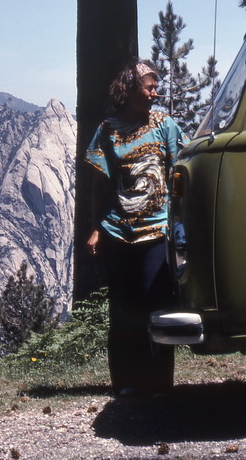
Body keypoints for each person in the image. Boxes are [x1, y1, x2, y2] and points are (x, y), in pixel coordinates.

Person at [84, 60, 187, 398]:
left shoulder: (164, 125)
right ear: (129, 89)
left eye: (156, 87)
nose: (155, 93)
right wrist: (96, 228)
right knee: (123, 307)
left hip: (157, 231)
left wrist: (181, 221)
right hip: (117, 231)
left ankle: (159, 383)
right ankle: (126, 382)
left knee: (157, 305)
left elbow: (182, 170)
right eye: (149, 87)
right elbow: (99, 184)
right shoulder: (108, 130)